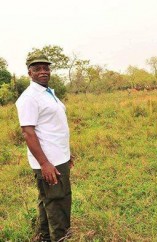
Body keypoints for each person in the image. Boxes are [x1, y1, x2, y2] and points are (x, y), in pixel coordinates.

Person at [16, 54, 73, 241]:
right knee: (58, 201)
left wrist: (66, 153)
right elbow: (28, 133)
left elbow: (53, 127)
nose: (43, 71)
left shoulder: (48, 92)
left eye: (46, 68)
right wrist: (45, 163)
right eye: (38, 68)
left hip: (58, 156)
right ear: (29, 73)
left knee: (47, 199)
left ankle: (45, 237)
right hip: (49, 161)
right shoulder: (29, 98)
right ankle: (60, 238)